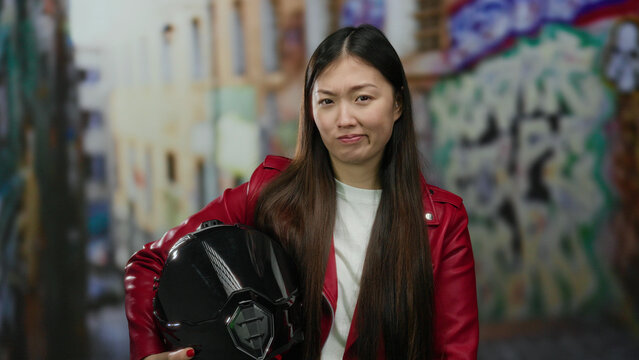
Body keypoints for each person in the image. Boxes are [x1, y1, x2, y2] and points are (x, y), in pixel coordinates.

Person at [125, 24, 478, 360]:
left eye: (363, 98)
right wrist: (150, 353)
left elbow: (456, 351)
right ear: (310, 109)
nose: (344, 118)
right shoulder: (271, 193)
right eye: (327, 101)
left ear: (397, 104)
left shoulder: (443, 222)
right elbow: (148, 263)